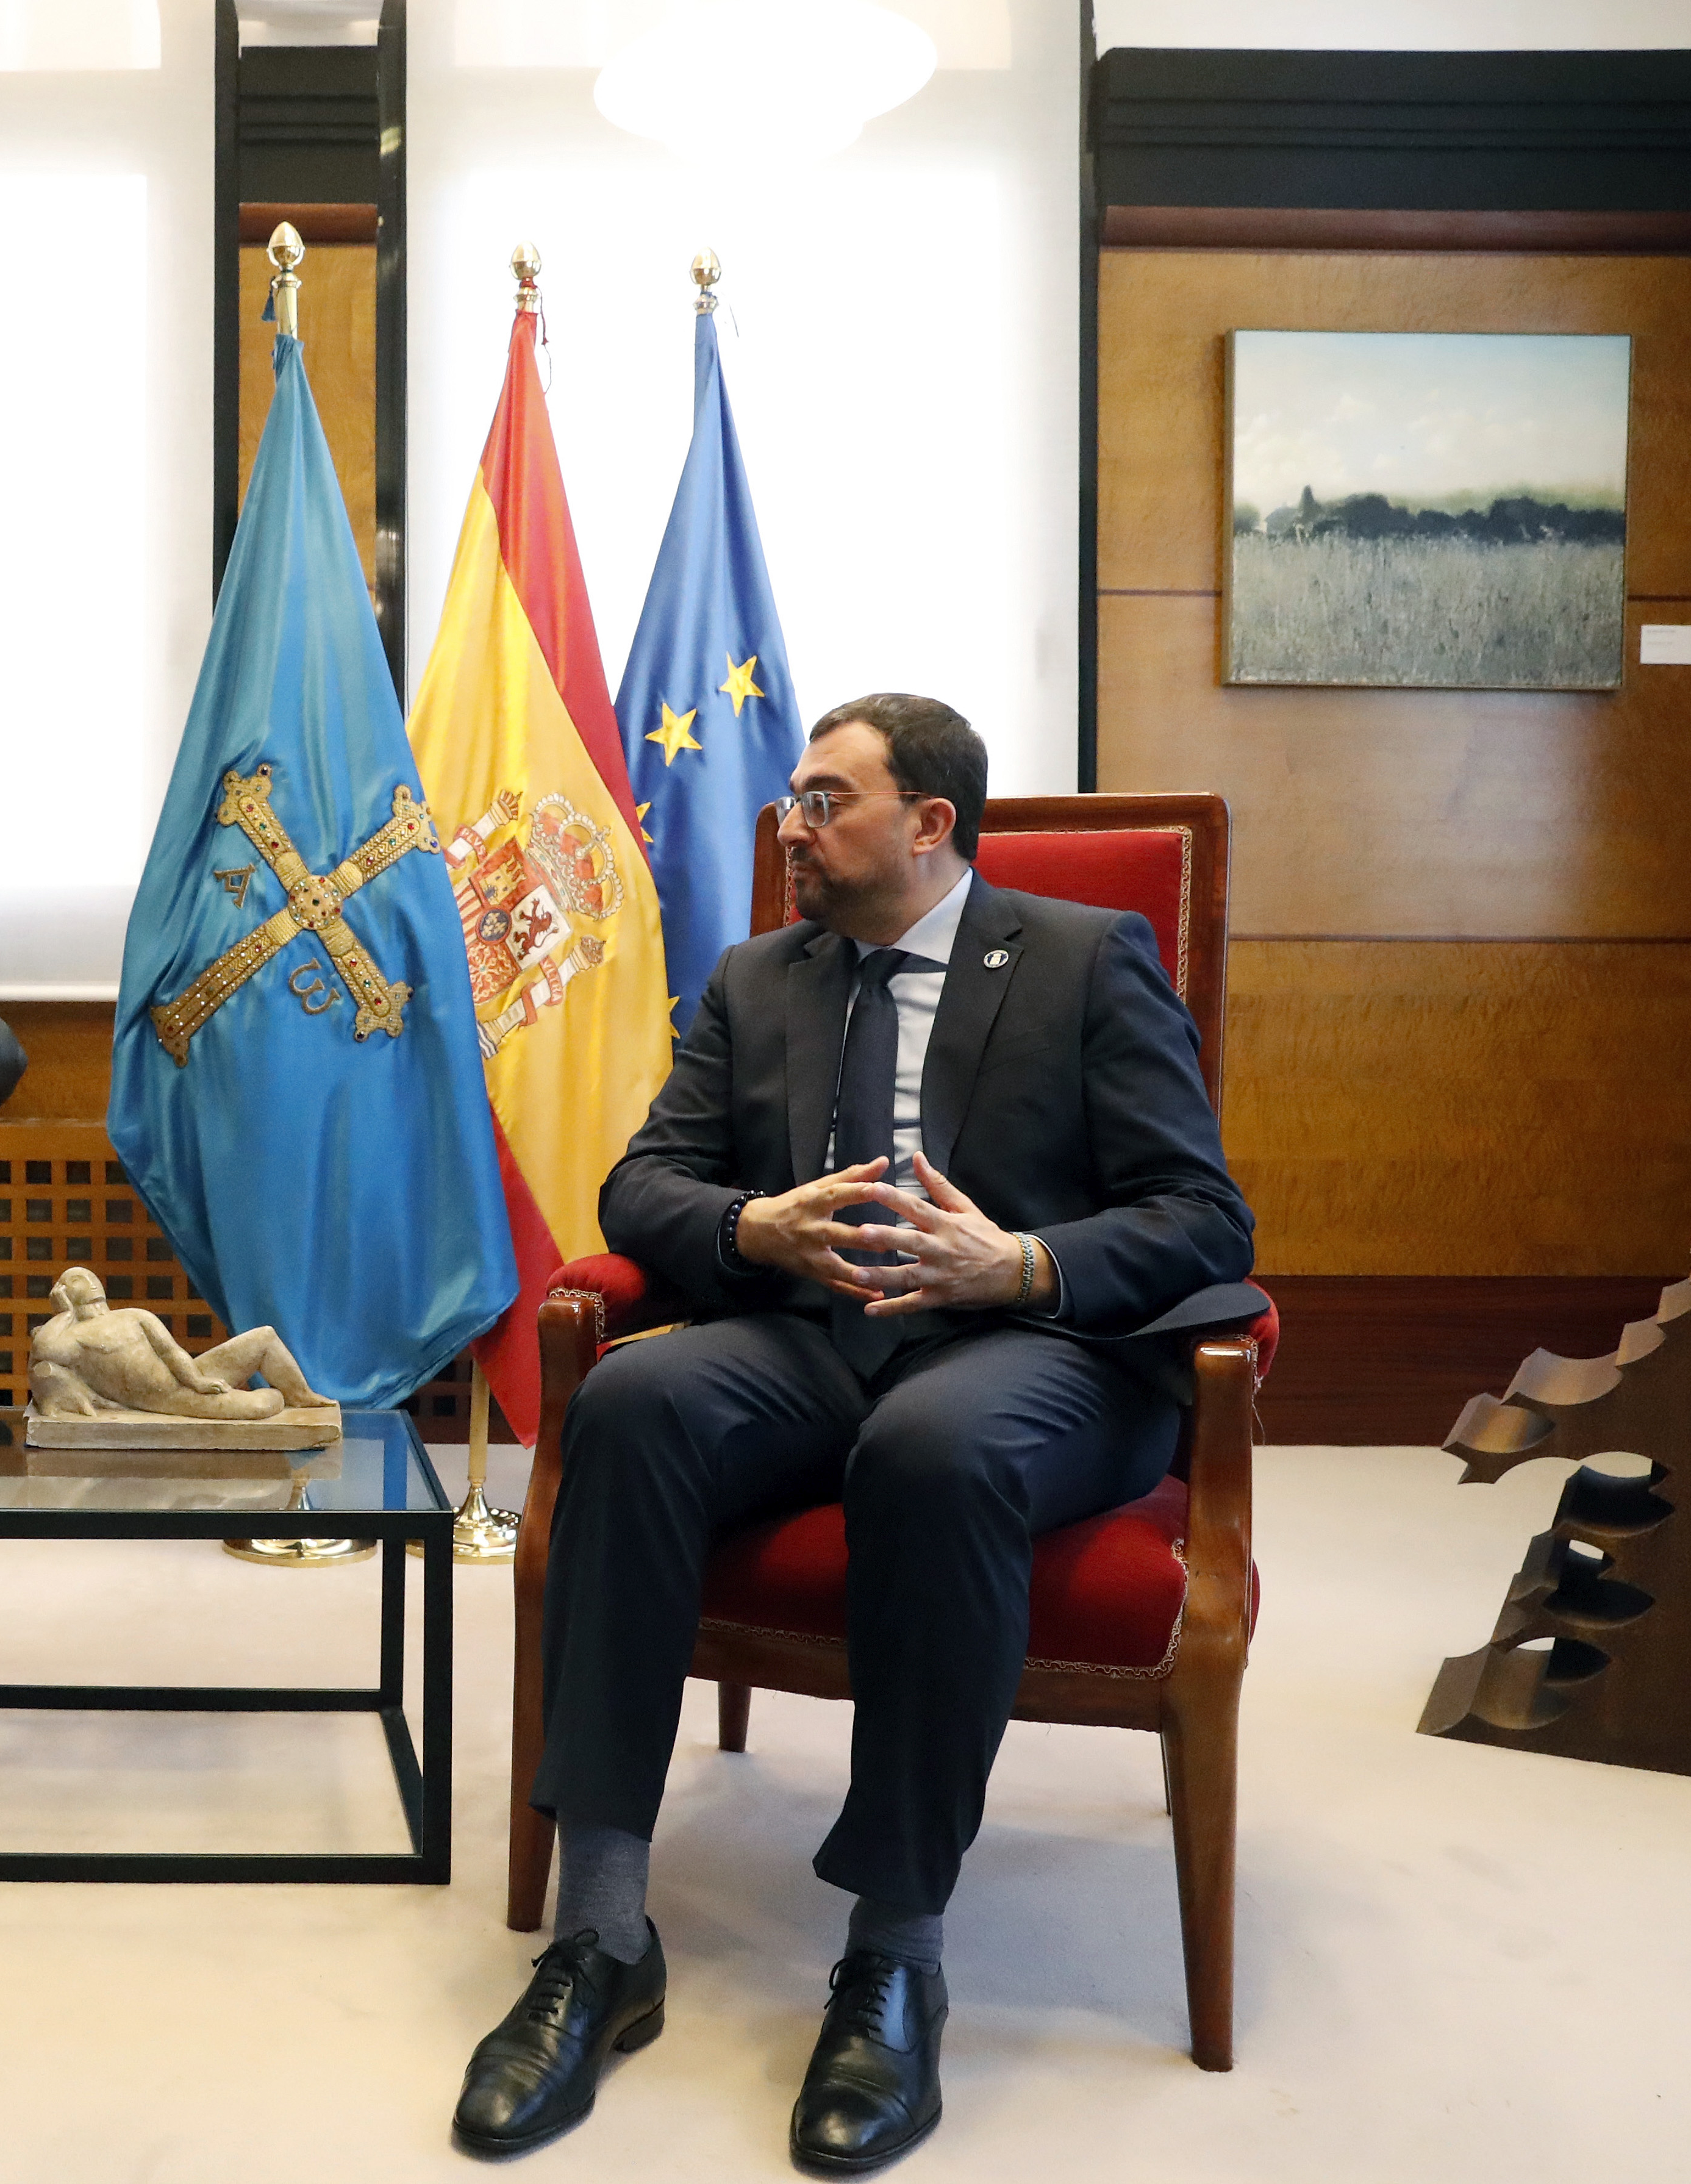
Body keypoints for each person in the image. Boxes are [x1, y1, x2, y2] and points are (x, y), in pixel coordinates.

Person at [449, 694, 1257, 2172]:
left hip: (1031, 1347)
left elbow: (1203, 1215)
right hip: (811, 1337)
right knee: (629, 1400)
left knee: (933, 1448)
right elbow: (644, 1185)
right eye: (792, 800)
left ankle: (894, 1957)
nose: (791, 826)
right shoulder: (757, 975)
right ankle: (601, 1934)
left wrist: (1018, 1260)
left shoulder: (1084, 957)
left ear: (928, 821)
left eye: (825, 799)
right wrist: (750, 1225)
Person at [28, 1265, 328, 1420]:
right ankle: (282, 1397)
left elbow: (171, 1352)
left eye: (91, 1277)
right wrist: (65, 1314)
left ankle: (301, 1395)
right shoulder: (73, 1336)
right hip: (167, 1399)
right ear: (62, 1293)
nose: (90, 1282)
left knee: (265, 1336)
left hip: (185, 1379)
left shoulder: (134, 1315)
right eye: (76, 1280)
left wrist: (197, 1380)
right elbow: (44, 1350)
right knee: (265, 1404)